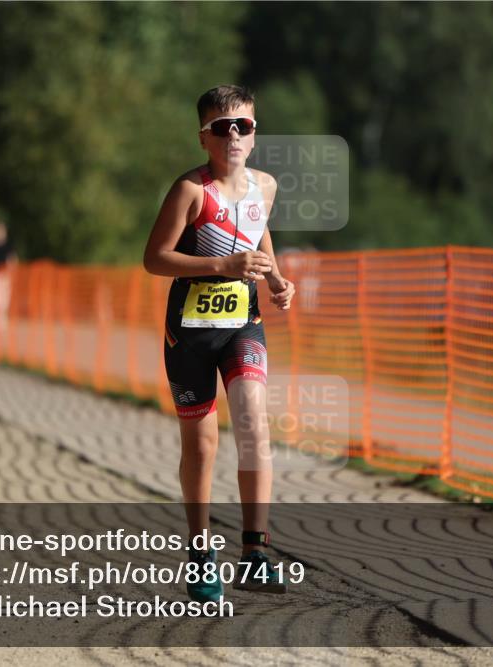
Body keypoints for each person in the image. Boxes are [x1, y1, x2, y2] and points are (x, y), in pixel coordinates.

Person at [142, 85, 295, 602]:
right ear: (203, 136)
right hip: (188, 330)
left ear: (254, 135)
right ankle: (202, 553)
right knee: (203, 445)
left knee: (253, 422)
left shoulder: (266, 187)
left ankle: (255, 552)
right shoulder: (190, 190)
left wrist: (274, 277)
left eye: (244, 126)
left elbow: (258, 234)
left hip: (241, 322)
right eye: (222, 126)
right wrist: (221, 266)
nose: (234, 135)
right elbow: (155, 258)